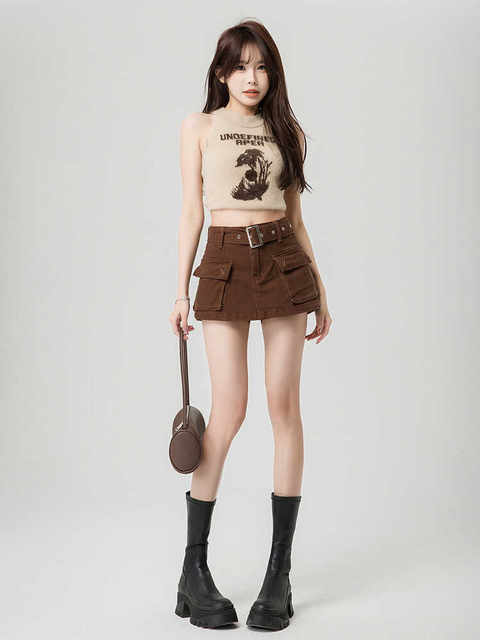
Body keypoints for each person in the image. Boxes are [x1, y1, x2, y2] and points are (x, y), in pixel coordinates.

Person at [169, 19, 332, 630]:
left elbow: (297, 218)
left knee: (283, 408)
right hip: (224, 263)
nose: (252, 77)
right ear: (221, 72)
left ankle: (278, 575)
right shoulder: (199, 127)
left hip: (283, 260)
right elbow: (191, 212)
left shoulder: (287, 131)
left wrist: (320, 288)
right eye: (240, 66)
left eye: (262, 66)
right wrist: (179, 291)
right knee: (229, 410)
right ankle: (193, 571)